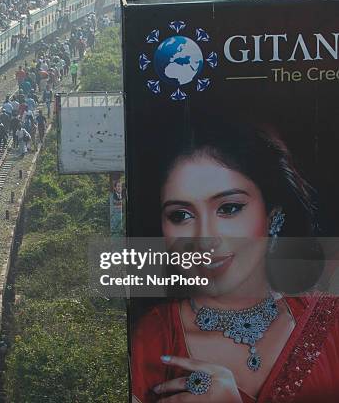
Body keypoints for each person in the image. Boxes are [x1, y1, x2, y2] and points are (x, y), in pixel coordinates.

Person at [130, 120, 339, 403]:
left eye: (229, 209)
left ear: (272, 214)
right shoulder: (154, 338)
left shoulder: (329, 322)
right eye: (180, 215)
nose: (204, 240)